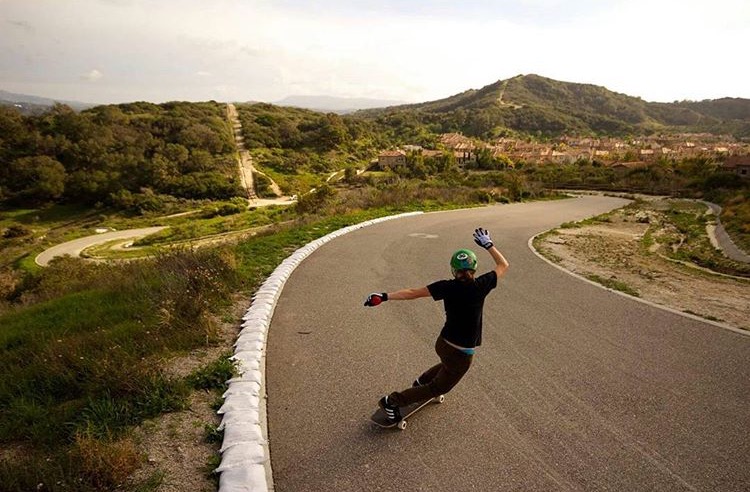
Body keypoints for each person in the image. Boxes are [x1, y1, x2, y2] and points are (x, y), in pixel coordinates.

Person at [364, 227, 510, 424]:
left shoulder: (446, 287)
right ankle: (391, 401)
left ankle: (420, 382)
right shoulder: (481, 285)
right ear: (474, 268)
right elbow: (503, 264)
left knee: (448, 365)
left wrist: (383, 296)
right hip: (460, 352)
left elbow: (412, 292)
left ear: (453, 269)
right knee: (441, 386)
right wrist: (488, 245)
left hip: (443, 343)